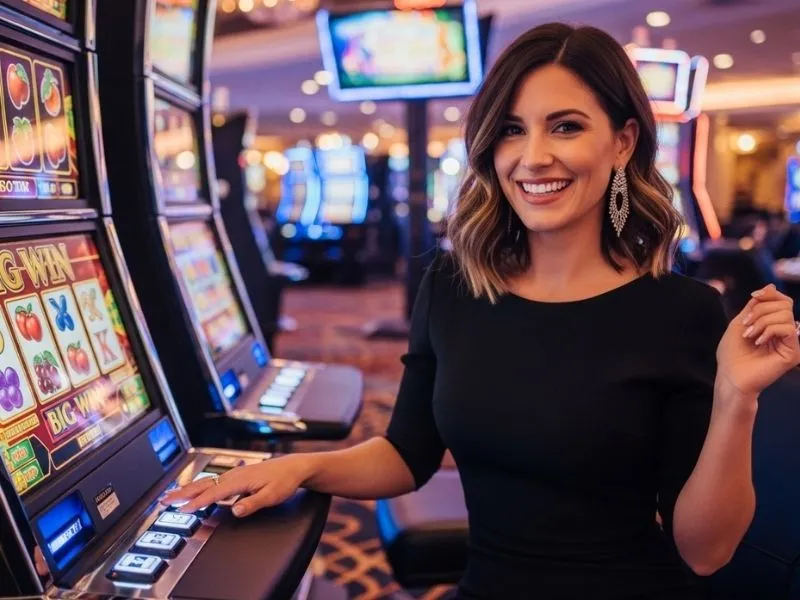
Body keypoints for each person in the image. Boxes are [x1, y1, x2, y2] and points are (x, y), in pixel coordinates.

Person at [165, 23, 800, 599]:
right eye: (511, 129)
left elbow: (707, 552)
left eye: (566, 126)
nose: (533, 156)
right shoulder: (453, 285)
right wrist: (301, 468)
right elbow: (407, 455)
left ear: (623, 142)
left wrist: (736, 398)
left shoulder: (682, 312)